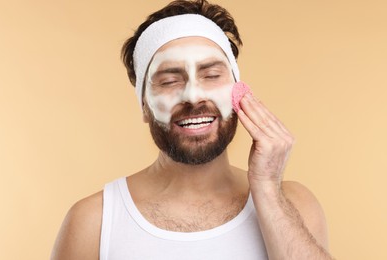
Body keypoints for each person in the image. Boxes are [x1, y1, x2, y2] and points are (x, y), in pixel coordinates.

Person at [51, 0, 334, 259]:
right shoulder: (94, 221)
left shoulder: (294, 205)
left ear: (239, 92)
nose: (194, 96)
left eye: (211, 75)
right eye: (170, 80)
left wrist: (268, 191)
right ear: (144, 106)